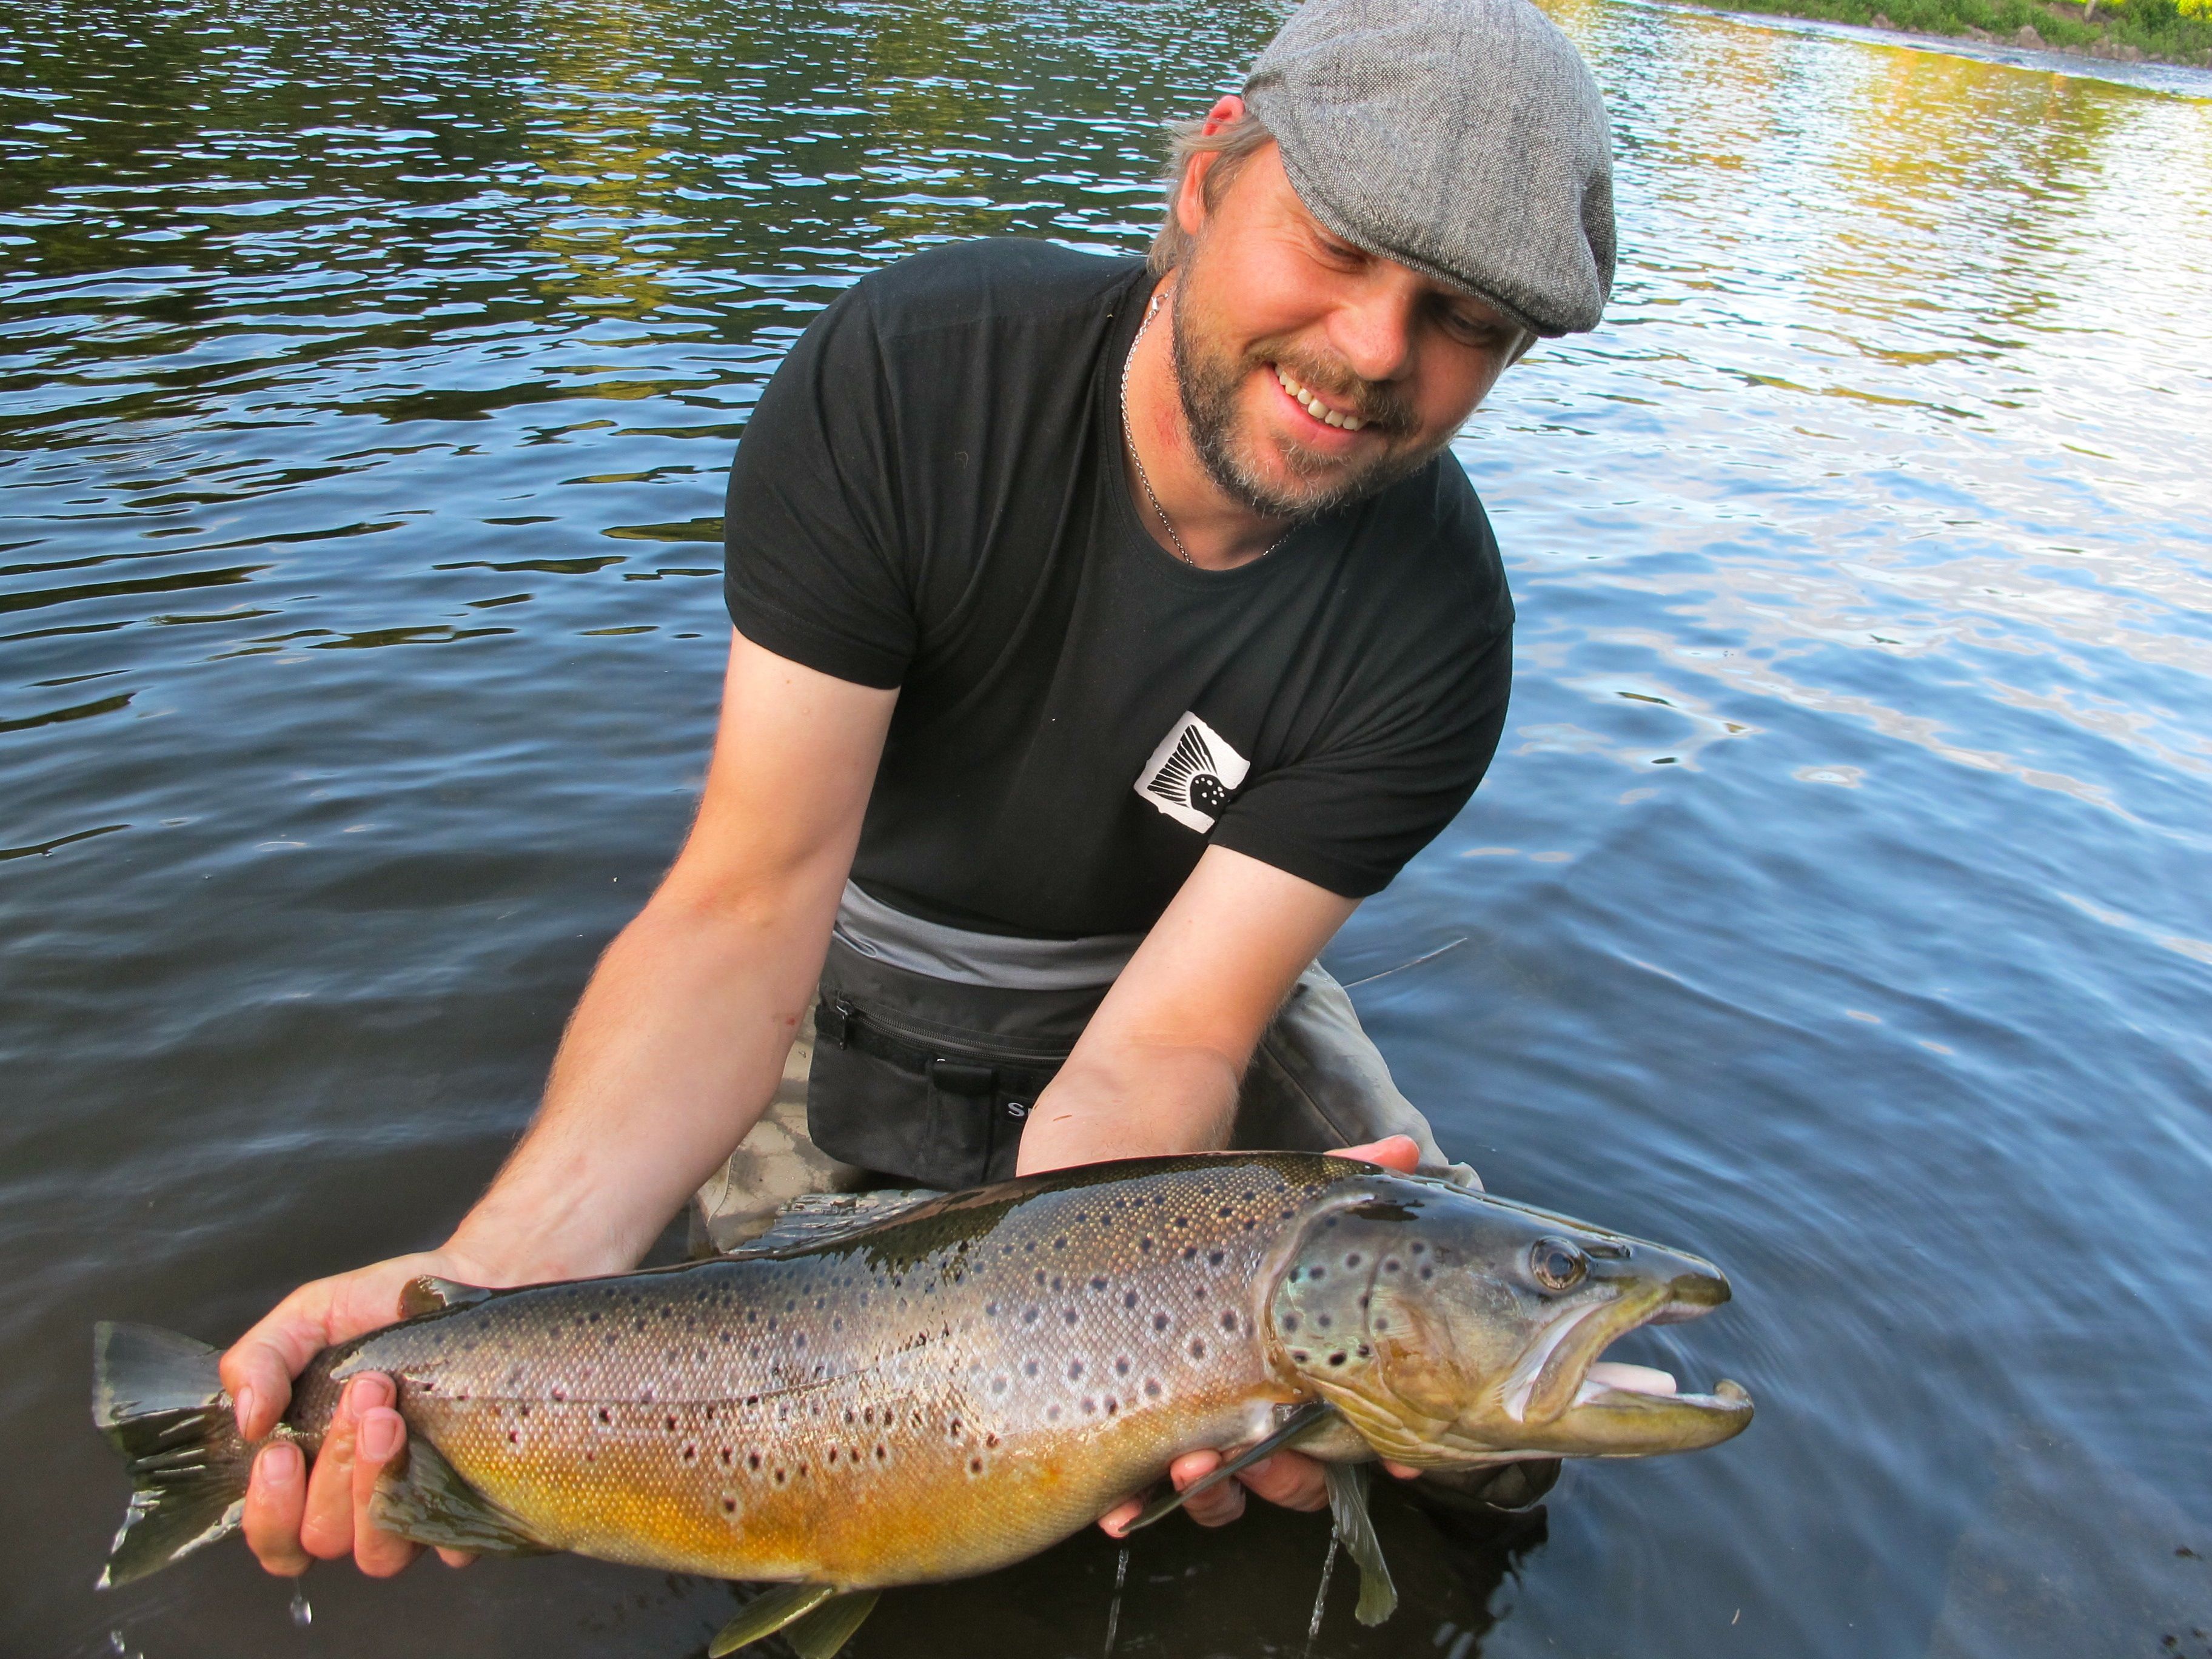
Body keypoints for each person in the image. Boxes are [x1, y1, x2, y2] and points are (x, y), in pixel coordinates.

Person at [218, 0, 1615, 1581]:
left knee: (1485, 1428)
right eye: (1338, 245)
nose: (1375, 351)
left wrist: (1140, 1348)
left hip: (1177, 988)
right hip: (844, 964)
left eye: (1465, 321)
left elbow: (1173, 1036)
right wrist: (486, 1286)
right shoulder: (914, 381)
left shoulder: (1438, 626)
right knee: (788, 1469)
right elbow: (744, 913)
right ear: (1211, 171)